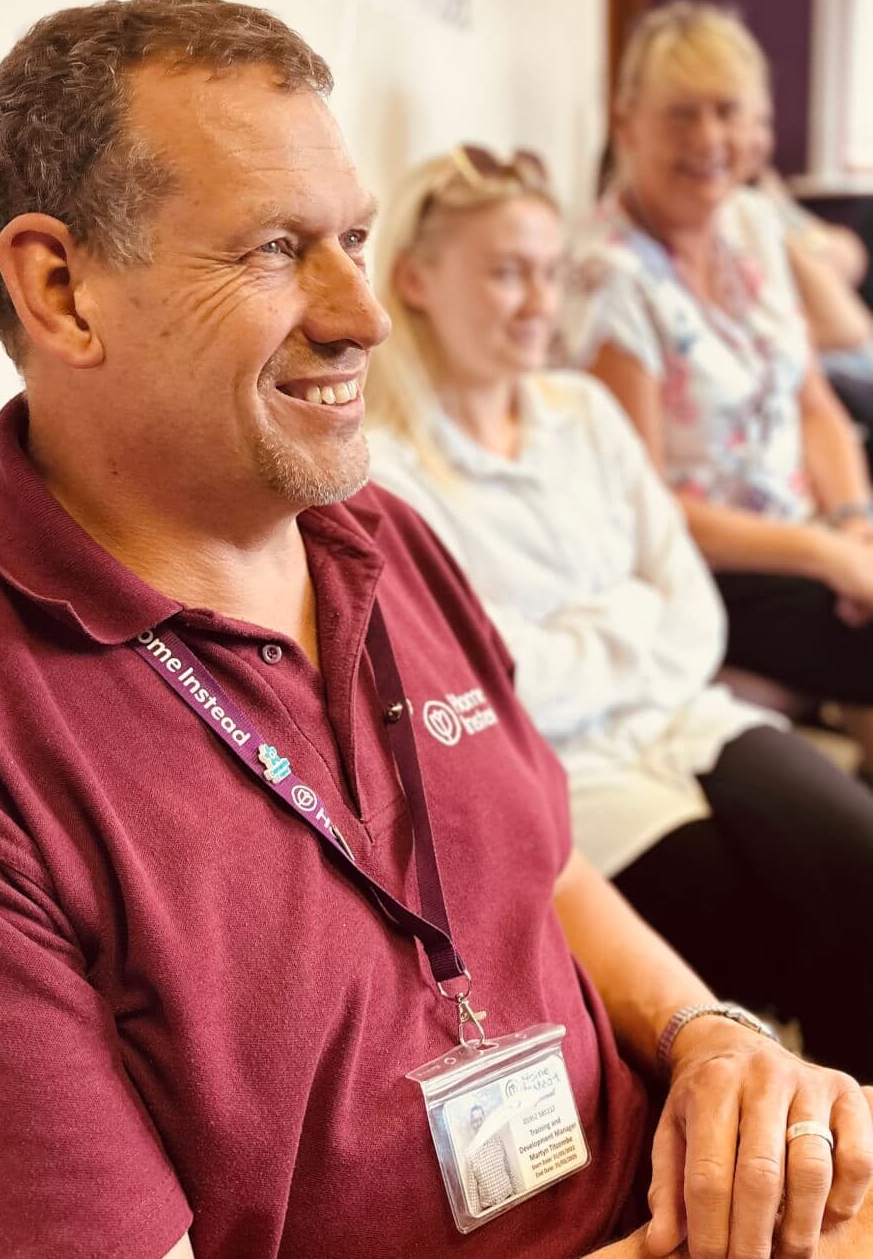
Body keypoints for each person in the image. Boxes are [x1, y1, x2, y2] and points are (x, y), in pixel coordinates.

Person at [0, 0, 873, 1259]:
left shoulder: (378, 538)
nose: (363, 315)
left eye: (356, 240)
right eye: (274, 250)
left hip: (650, 1251)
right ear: (61, 288)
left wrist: (711, 1039)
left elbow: (545, 865)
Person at [365, 143, 873, 1082]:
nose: (538, 303)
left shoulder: (584, 413)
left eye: (549, 274)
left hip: (684, 716)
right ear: (416, 280)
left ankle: (848, 1143)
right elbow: (488, 692)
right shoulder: (386, 474)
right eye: (506, 274)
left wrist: (585, 640)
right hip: (563, 770)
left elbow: (695, 621)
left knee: (858, 860)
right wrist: (626, 616)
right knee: (750, 931)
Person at [562, 0, 873, 764]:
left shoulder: (752, 225)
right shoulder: (609, 279)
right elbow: (646, 506)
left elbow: (814, 405)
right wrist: (825, 554)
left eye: (727, 111)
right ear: (626, 123)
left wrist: (852, 520)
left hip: (805, 533)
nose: (707, 139)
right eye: (680, 114)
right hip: (708, 569)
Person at [743, 91, 873, 444]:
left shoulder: (764, 200)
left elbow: (852, 256)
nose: (756, 139)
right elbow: (852, 330)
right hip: (840, 360)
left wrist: (801, 239)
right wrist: (796, 243)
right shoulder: (750, 218)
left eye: (762, 123)